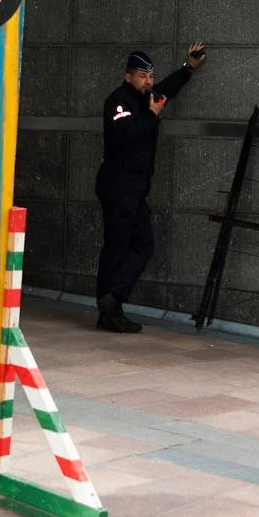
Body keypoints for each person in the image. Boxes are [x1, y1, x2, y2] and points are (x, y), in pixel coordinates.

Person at [94, 44, 206, 333]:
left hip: (134, 189)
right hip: (118, 186)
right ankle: (109, 308)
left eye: (151, 77)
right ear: (128, 76)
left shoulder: (148, 99)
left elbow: (168, 88)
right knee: (118, 247)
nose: (149, 82)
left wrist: (187, 68)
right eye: (143, 76)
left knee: (142, 245)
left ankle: (112, 300)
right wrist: (153, 116)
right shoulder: (118, 101)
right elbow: (124, 136)